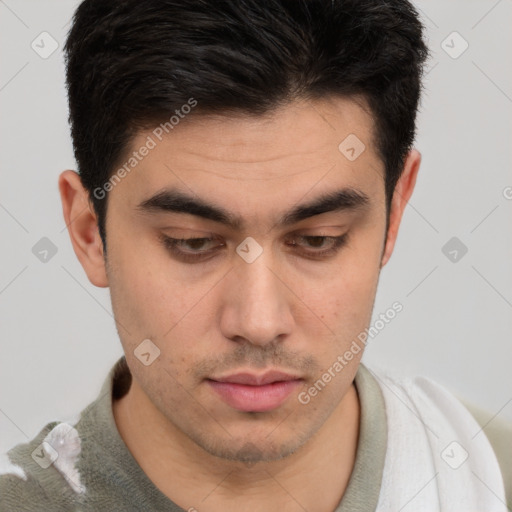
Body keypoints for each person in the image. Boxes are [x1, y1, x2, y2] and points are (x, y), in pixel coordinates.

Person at [1, 0, 510, 510]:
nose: (259, 322)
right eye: (192, 242)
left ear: (394, 213)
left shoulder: (489, 481)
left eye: (318, 240)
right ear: (90, 233)